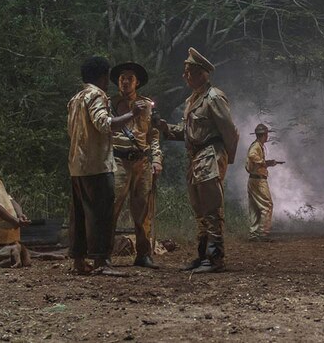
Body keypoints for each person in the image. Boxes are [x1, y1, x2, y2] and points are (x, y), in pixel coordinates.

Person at [159, 48, 239, 273]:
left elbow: (230, 131)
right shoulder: (192, 100)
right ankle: (203, 255)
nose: (185, 76)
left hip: (210, 155)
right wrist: (166, 129)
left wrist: (225, 159)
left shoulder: (214, 97)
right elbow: (187, 131)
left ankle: (215, 258)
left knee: (212, 208)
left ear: (203, 73)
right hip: (196, 157)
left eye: (190, 72)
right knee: (200, 209)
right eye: (185, 72)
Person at [68, 56, 147, 276]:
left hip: (77, 165)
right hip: (97, 165)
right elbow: (104, 124)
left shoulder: (76, 98)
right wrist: (133, 114)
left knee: (80, 215)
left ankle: (78, 260)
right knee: (101, 214)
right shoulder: (96, 95)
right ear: (102, 76)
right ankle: (101, 262)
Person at [109, 61, 163, 269]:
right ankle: (104, 253)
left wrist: (157, 159)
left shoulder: (147, 105)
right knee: (111, 208)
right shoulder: (109, 104)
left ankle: (143, 254)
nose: (125, 81)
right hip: (118, 161)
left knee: (143, 211)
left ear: (137, 82)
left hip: (141, 161)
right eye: (122, 77)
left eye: (129, 78)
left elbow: (154, 136)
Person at [246, 123, 278, 242]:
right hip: (259, 180)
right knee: (267, 205)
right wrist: (264, 163)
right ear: (264, 135)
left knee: (254, 207)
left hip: (253, 179)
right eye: (266, 134)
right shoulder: (256, 146)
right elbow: (252, 155)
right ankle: (263, 233)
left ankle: (254, 233)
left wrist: (267, 163)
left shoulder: (257, 145)